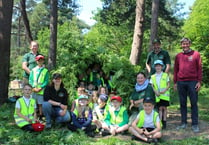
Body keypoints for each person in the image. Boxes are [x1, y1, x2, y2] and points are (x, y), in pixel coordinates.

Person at [174, 38, 202, 133]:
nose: (185, 45)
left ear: (189, 44)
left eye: (186, 44)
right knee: (182, 103)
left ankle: (194, 124)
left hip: (193, 82)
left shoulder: (196, 54)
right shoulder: (178, 56)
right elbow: (175, 70)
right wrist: (175, 82)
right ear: (181, 45)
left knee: (194, 103)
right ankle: (183, 123)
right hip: (181, 82)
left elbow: (199, 68)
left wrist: (199, 81)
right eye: (183, 44)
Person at [150, 60, 170, 129]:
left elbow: (168, 84)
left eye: (159, 66)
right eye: (156, 66)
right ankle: (160, 121)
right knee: (160, 109)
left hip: (165, 95)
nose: (158, 67)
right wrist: (155, 92)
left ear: (162, 67)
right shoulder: (153, 76)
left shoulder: (165, 75)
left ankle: (164, 121)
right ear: (155, 67)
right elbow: (152, 85)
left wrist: (165, 90)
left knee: (165, 108)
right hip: (158, 95)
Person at [29, 54, 49, 119]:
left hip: (41, 91)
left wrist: (41, 87)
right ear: (36, 61)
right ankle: (33, 115)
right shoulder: (33, 70)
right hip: (34, 90)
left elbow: (46, 81)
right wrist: (33, 87)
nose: (40, 61)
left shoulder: (45, 71)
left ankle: (41, 115)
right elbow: (30, 80)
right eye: (38, 60)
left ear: (43, 61)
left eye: (41, 60)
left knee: (40, 104)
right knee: (33, 103)